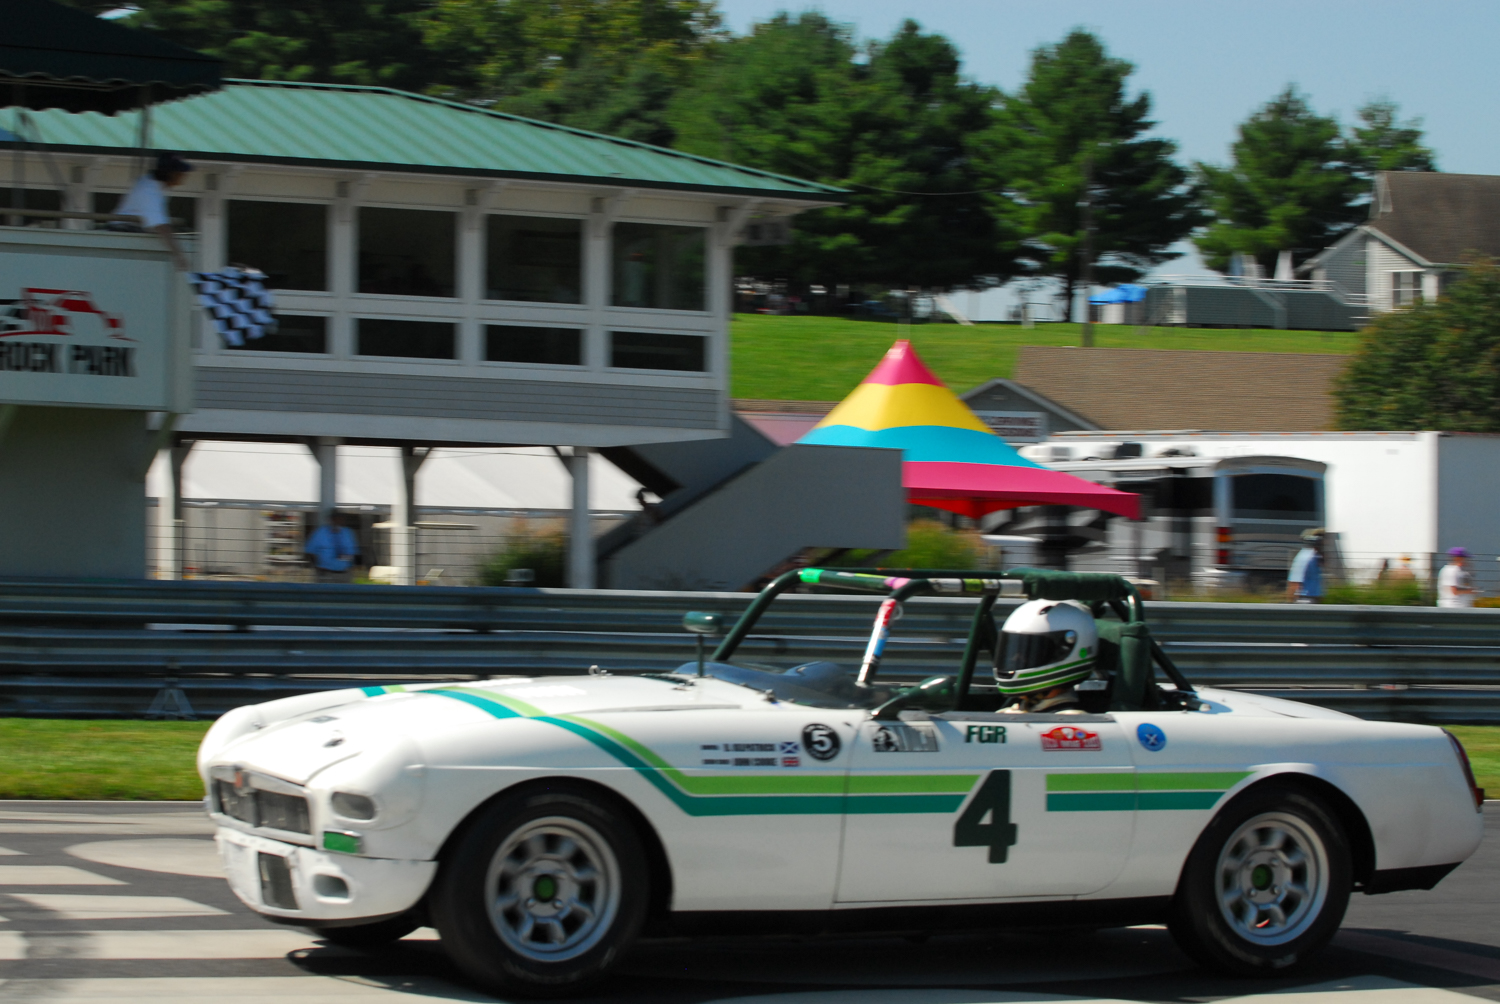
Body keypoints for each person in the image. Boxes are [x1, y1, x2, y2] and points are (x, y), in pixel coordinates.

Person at [994, 598, 1096, 714]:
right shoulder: (1016, 709)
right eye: (1013, 651)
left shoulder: (1071, 722)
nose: (1013, 659)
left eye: (1026, 655)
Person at [110, 152, 193, 271]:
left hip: (129, 237)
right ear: (169, 173)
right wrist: (179, 255)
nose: (182, 176)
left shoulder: (153, 184)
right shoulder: (149, 190)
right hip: (121, 237)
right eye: (179, 172)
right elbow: (160, 226)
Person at [305, 515, 361, 583]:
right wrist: (317, 567)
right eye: (335, 520)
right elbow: (310, 551)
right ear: (331, 520)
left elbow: (353, 554)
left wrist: (348, 562)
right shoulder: (321, 532)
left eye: (340, 520)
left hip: (344, 574)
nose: (338, 522)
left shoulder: (347, 533)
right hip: (326, 574)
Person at [1286, 528, 1325, 603]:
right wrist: (1291, 602)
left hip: (1313, 597)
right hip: (1305, 598)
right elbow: (1294, 582)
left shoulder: (1315, 557)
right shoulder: (1305, 557)